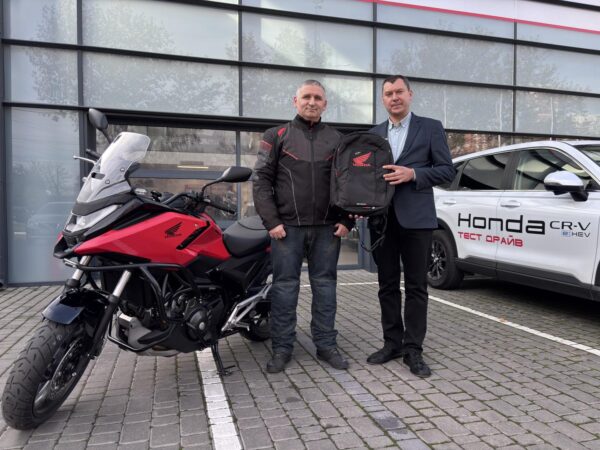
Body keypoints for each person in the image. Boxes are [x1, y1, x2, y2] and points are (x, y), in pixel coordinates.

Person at [253, 80, 353, 373]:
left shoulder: (338, 139)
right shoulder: (276, 135)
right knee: (284, 289)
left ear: (325, 104)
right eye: (306, 97)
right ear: (295, 101)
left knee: (326, 288)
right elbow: (261, 181)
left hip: (327, 228)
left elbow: (349, 183)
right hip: (287, 229)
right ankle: (282, 348)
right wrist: (272, 221)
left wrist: (346, 219)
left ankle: (326, 345)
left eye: (317, 98)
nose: (312, 102)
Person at [367, 75, 455, 377]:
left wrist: (413, 174)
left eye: (399, 92)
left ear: (410, 94)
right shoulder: (373, 134)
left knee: (417, 286)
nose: (394, 97)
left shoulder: (430, 128)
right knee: (387, 285)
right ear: (383, 99)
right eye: (388, 93)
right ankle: (392, 343)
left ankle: (413, 349)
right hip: (381, 219)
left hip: (417, 220)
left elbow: (447, 170)